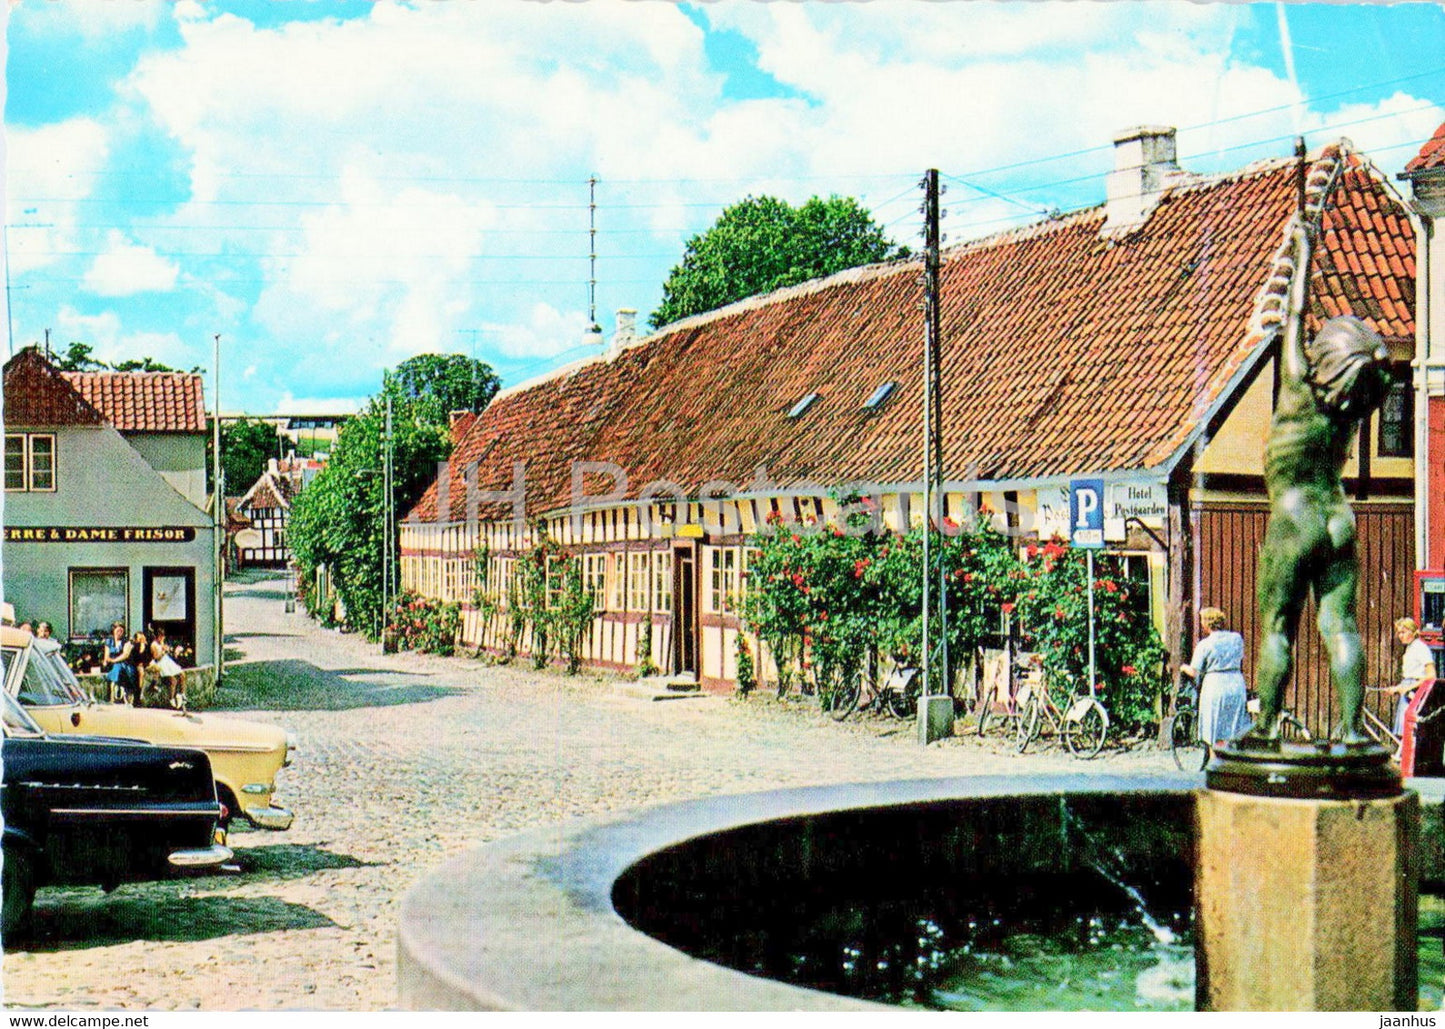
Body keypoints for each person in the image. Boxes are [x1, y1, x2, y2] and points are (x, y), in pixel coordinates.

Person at [1250, 217, 1393, 744]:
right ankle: (1352, 729)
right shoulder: (1351, 411)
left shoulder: (1296, 386)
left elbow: (1294, 311)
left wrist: (1302, 250)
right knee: (1340, 626)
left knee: (1278, 627)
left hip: (1292, 517)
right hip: (1337, 517)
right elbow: (1371, 366)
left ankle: (1265, 727)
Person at [1181, 607, 1252, 749]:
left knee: (1213, 726)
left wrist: (1183, 667)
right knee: (1235, 723)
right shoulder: (1236, 638)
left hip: (1215, 684)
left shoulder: (1205, 644)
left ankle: (1215, 761)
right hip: (1235, 682)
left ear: (1206, 624)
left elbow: (1195, 671)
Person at [1389, 617, 1439, 737]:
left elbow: (1431, 675)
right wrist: (1397, 688)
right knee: (1404, 731)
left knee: (1409, 730)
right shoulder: (1410, 649)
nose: (1400, 636)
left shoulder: (1420, 648)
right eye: (1399, 633)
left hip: (1415, 694)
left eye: (1403, 632)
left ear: (1412, 632)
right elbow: (1410, 675)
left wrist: (1408, 687)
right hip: (1408, 691)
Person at [149, 626, 186, 708]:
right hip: (161, 663)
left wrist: (170, 650)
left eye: (163, 636)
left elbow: (167, 652)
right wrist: (163, 651)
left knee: (182, 674)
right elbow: (156, 657)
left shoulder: (162, 643)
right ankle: (171, 698)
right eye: (160, 636)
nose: (162, 638)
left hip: (167, 660)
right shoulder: (153, 645)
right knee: (173, 680)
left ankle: (182, 694)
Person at [102, 622, 138, 704]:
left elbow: (125, 655)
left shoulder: (126, 641)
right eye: (118, 630)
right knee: (115, 667)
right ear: (114, 631)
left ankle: (114, 692)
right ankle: (113, 693)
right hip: (112, 664)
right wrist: (106, 661)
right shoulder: (109, 641)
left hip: (125, 664)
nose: (119, 633)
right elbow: (106, 655)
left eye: (121, 631)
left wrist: (114, 660)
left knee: (118, 666)